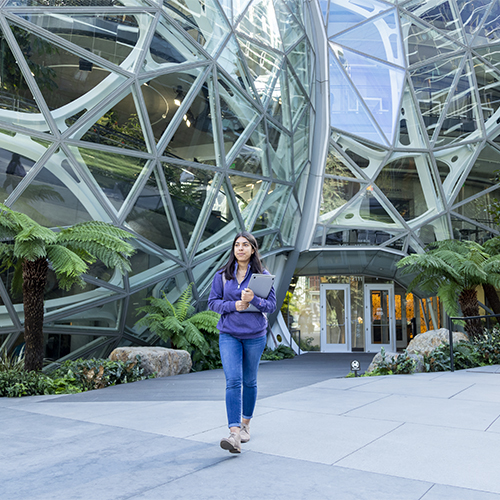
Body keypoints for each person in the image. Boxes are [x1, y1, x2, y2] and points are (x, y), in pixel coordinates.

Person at [208, 231, 276, 454]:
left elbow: (271, 306)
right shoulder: (222, 275)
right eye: (237, 245)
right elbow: (213, 303)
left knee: (249, 381)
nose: (240, 248)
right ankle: (234, 433)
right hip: (229, 334)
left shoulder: (263, 276)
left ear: (253, 249)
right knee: (233, 381)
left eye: (245, 245)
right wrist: (233, 306)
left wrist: (253, 299)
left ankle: (246, 425)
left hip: (255, 335)